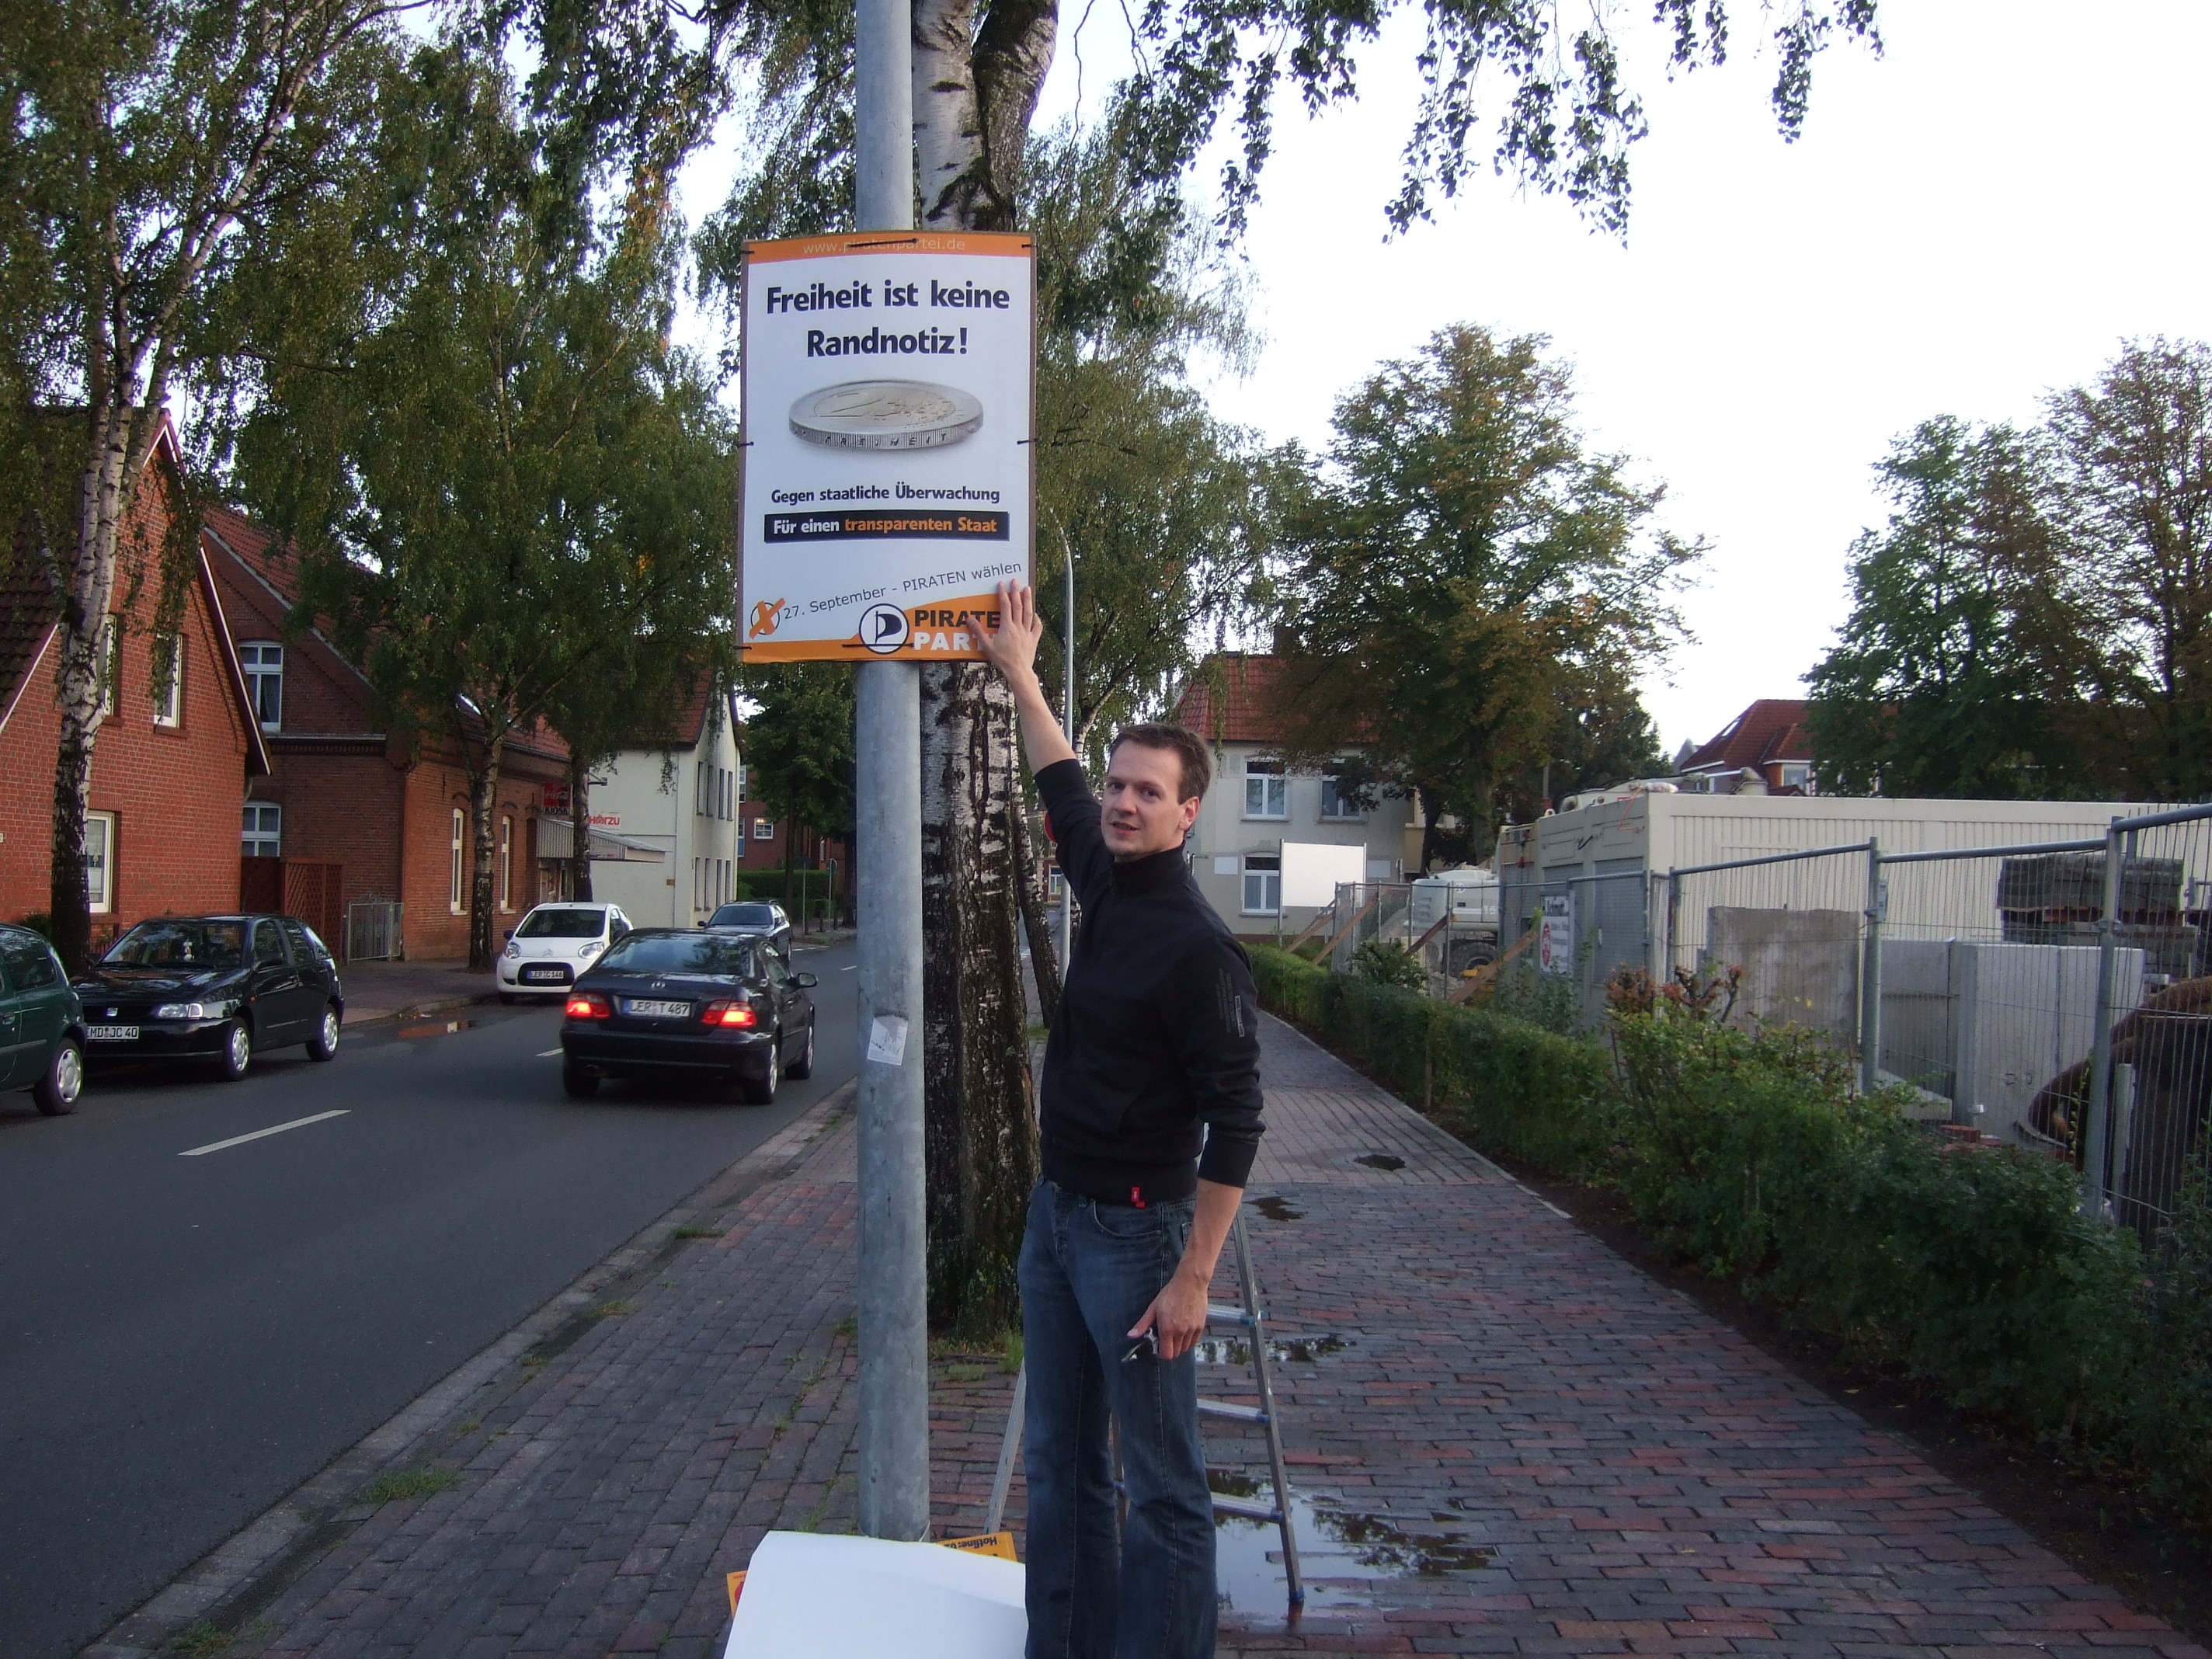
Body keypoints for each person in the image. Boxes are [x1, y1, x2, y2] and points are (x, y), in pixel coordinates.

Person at [976, 578, 1265, 1659]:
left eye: (1149, 791)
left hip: (1140, 1240)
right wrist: (1021, 675)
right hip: (1058, 1221)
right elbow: (1056, 779)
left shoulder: (1199, 948)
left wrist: (1194, 1276)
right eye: (1119, 784)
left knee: (1163, 1487)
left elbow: (1239, 1120)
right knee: (1061, 1466)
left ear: (1188, 814)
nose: (1123, 802)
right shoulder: (1106, 882)